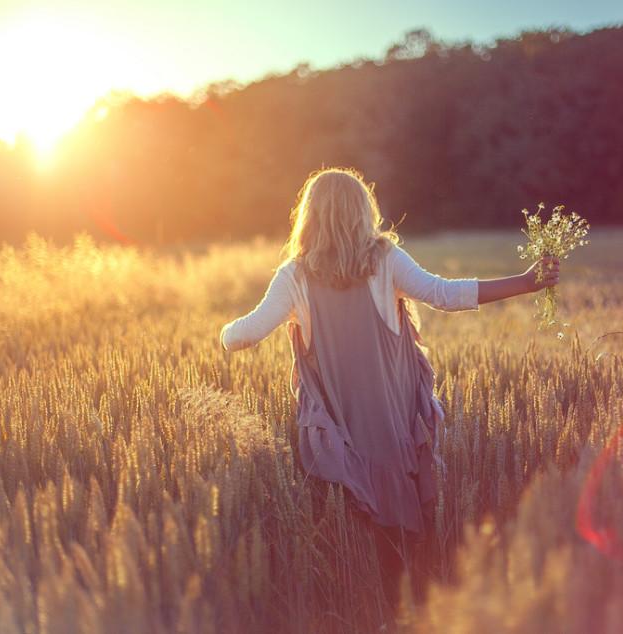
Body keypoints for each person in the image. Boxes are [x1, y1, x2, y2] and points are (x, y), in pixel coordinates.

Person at [219, 167, 558, 615]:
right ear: (364, 211)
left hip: (338, 432)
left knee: (347, 527)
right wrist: (525, 282)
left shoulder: (294, 276)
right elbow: (444, 294)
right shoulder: (384, 260)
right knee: (400, 533)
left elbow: (244, 335)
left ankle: (362, 612)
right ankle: (410, 608)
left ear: (309, 217)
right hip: (390, 425)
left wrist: (223, 333)